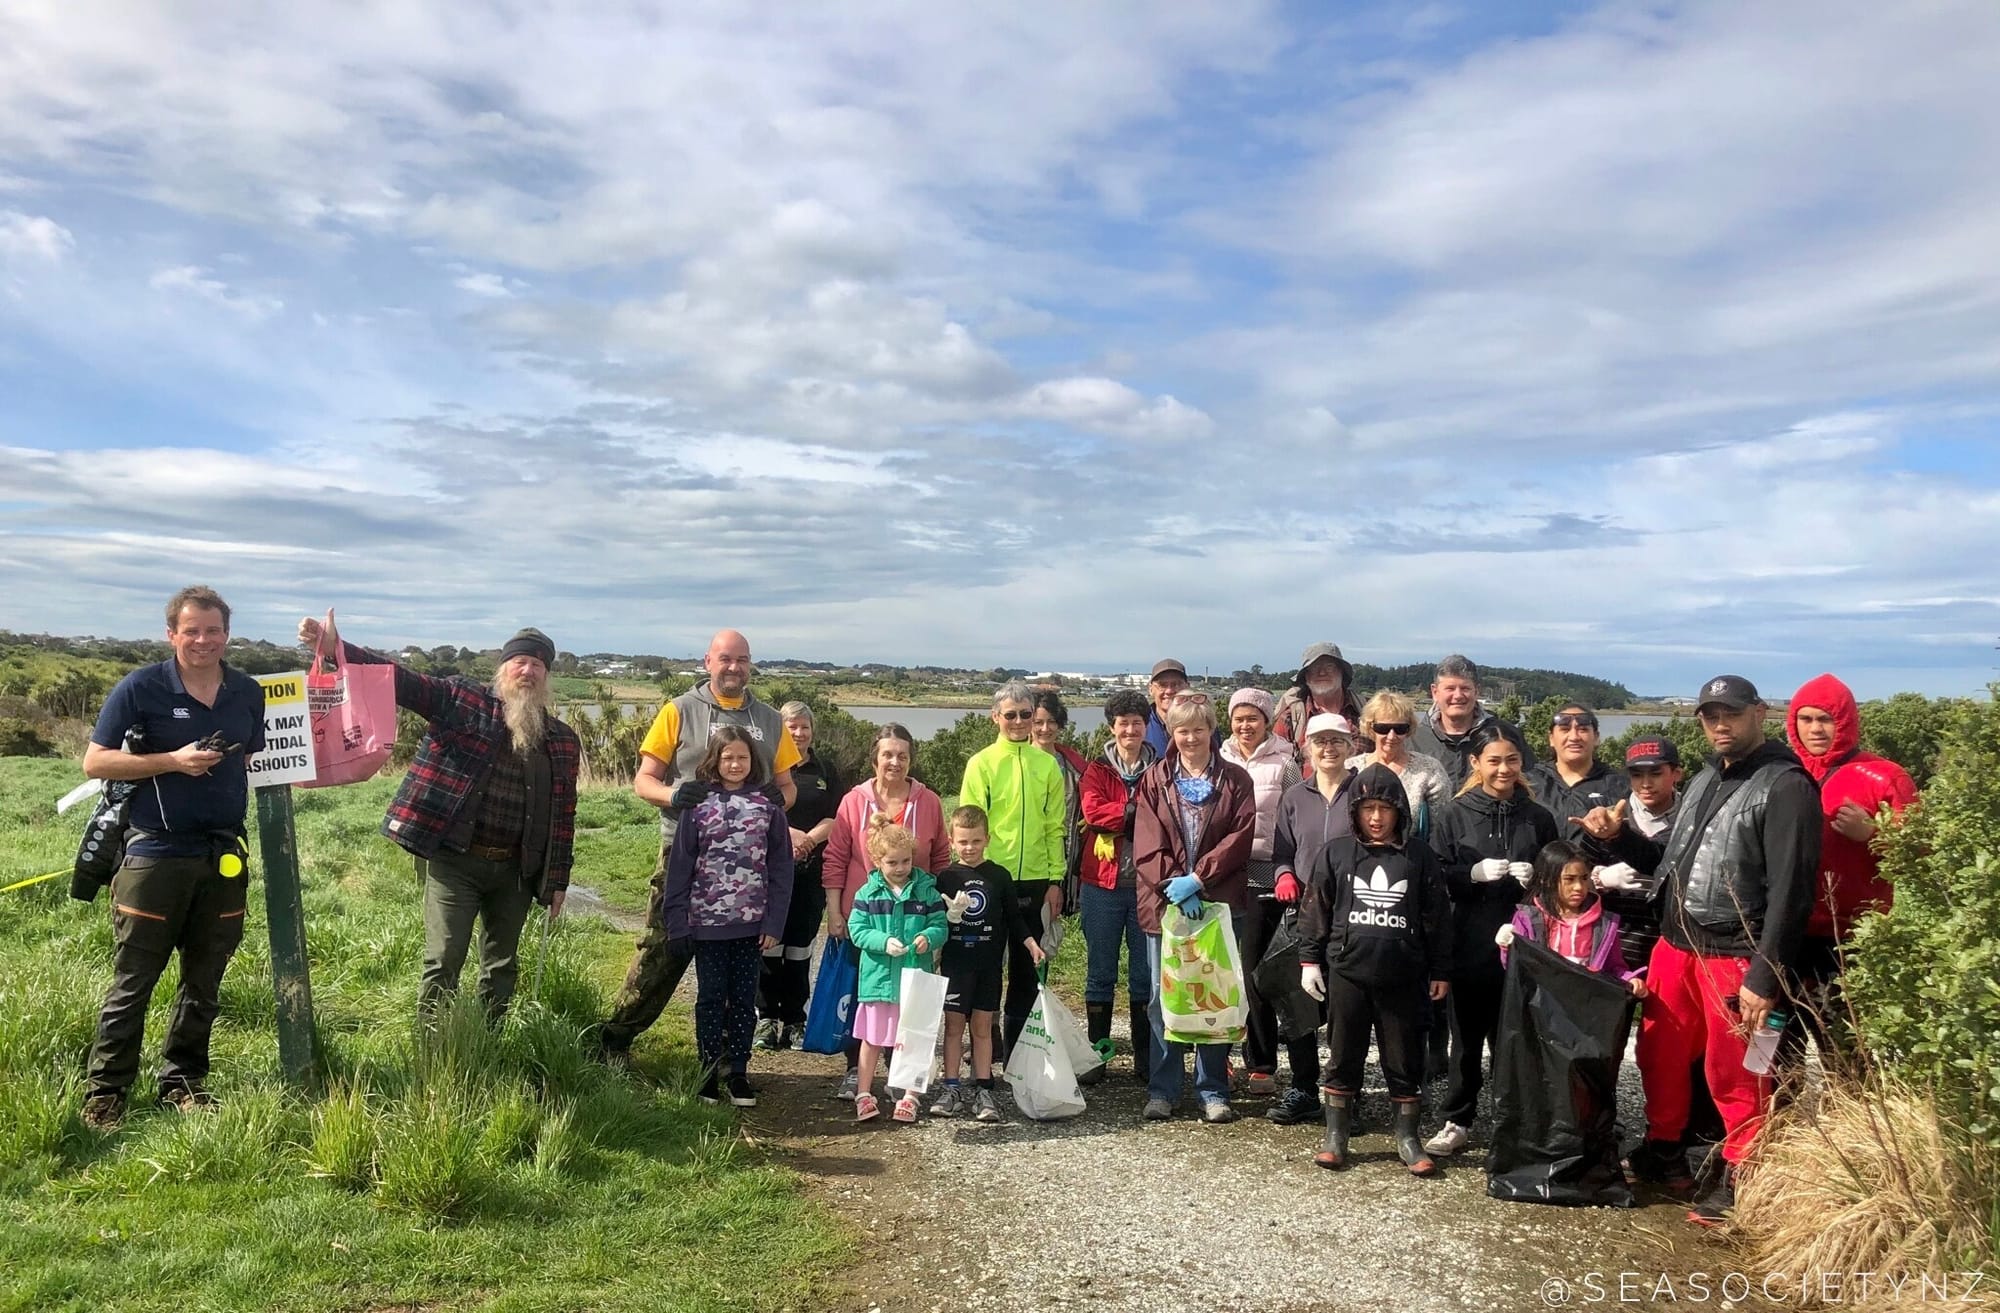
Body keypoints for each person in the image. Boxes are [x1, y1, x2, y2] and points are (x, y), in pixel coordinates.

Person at [1578, 675, 1820, 1225]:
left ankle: (1743, 1172)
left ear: (1761, 712)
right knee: (1660, 1055)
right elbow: (1673, 862)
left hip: (1737, 951)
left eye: (1731, 713)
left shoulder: (1787, 786)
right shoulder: (1710, 774)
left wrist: (1766, 972)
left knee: (1737, 1069)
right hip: (1676, 944)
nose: (1719, 724)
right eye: (1710, 715)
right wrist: (1619, 839)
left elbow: (1793, 889)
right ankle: (1665, 1152)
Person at [300, 612, 579, 1020]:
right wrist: (335, 649)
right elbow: (400, 680)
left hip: (516, 870)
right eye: (520, 661)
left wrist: (557, 880)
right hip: (456, 861)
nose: (529, 670)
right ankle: (433, 1047)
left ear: (547, 677)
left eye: (538, 664)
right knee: (444, 959)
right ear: (502, 669)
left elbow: (564, 814)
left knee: (502, 965)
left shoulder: (561, 739)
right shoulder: (462, 701)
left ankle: (488, 1044)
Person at [80, 587, 267, 1129]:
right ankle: (107, 1092)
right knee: (134, 978)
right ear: (172, 634)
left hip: (223, 854)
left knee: (205, 980)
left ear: (227, 635)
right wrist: (172, 761)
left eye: (212, 630)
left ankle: (182, 1083)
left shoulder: (247, 693)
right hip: (155, 852)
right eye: (191, 630)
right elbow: (95, 763)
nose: (203, 640)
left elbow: (253, 754)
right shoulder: (141, 687)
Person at [600, 629, 800, 1064]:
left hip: (750, 861)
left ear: (751, 665)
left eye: (742, 660)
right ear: (707, 662)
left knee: (737, 965)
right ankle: (615, 1037)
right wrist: (674, 795)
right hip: (685, 855)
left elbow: (787, 787)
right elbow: (643, 780)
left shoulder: (769, 720)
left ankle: (728, 1060)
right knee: (665, 948)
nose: (734, 667)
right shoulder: (679, 711)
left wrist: (777, 801)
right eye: (725, 659)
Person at [1296, 763, 1451, 1175]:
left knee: (1404, 1060)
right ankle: (1336, 1135)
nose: (1377, 818)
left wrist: (1440, 969)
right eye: (1368, 809)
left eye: (1385, 808)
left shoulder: (1419, 856)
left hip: (1404, 975)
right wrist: (1309, 959)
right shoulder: (1337, 852)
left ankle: (1408, 1137)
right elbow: (1315, 909)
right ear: (1355, 812)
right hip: (1347, 973)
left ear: (1401, 808)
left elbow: (1436, 916)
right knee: (1343, 1055)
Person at [1427, 724, 1558, 1158]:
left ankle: (1515, 1121)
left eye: (1512, 760)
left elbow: (1559, 877)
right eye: (1495, 760)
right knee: (1465, 1038)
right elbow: (1437, 876)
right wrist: (1472, 874)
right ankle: (1457, 1119)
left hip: (1525, 944)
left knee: (1517, 1037)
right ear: (1476, 763)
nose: (1504, 769)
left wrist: (1537, 880)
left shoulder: (1537, 817)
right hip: (1470, 942)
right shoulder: (1456, 813)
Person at [1133, 692, 1256, 1123]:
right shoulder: (1154, 780)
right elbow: (1147, 844)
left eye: (1198, 729)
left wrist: (1199, 879)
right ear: (1172, 732)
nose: (1190, 737)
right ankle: (1163, 1090)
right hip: (1164, 906)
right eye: (1181, 729)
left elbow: (1240, 837)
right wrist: (1175, 887)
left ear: (1211, 731)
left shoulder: (1237, 781)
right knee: (1161, 997)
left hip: (1218, 903)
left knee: (1214, 994)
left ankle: (1212, 1090)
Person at [1782, 674, 1917, 1063]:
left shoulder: (1885, 776)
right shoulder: (1785, 772)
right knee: (1776, 1048)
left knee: (1843, 1051)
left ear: (1845, 721)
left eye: (1825, 719)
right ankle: (1782, 1121)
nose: (1815, 729)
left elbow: (1919, 853)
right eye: (1805, 719)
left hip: (1851, 939)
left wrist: (1874, 833)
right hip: (1786, 932)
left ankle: (1851, 1122)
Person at [658, 728, 794, 1108]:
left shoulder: (768, 806)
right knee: (711, 999)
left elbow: (782, 869)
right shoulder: (697, 804)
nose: (735, 764)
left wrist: (773, 923)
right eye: (728, 757)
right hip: (707, 924)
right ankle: (707, 1071)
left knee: (743, 999)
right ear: (715, 760)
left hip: (752, 926)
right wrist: (678, 921)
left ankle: (738, 1072)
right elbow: (680, 867)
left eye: (743, 758)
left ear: (754, 762)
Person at [822, 723, 951, 1098]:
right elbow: (835, 857)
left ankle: (902, 1073)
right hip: (865, 916)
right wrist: (835, 911)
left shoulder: (928, 801)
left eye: (903, 755)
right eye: (888, 754)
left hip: (915, 920)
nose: (895, 761)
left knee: (909, 1002)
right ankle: (855, 1071)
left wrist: (937, 914)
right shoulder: (853, 800)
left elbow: (941, 856)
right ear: (875, 758)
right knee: (864, 995)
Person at [958, 681, 1066, 1059]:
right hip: (991, 878)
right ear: (995, 718)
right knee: (986, 966)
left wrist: (1056, 879)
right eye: (1011, 715)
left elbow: (1056, 826)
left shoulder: (1047, 764)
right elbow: (970, 825)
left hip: (1036, 880)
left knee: (1027, 969)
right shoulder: (981, 763)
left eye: (1026, 714)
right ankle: (986, 1046)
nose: (1019, 722)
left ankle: (1022, 1049)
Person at [1268, 712, 1362, 1126]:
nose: (1328, 749)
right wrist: (1284, 875)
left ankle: (1345, 1096)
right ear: (1307, 747)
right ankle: (1304, 1088)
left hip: (1352, 913)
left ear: (1350, 746)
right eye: (1319, 741)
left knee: (1348, 1009)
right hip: (1304, 912)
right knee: (1297, 1003)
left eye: (1336, 741)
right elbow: (1281, 853)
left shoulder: (1363, 793)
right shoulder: (1294, 797)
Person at [930, 805, 1046, 1123]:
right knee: (953, 1028)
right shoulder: (946, 877)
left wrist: (1031, 943)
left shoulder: (999, 876)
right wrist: (946, 917)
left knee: (982, 1028)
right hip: (955, 965)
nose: (970, 848)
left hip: (989, 966)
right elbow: (933, 922)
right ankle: (951, 1087)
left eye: (976, 841)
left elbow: (1014, 918)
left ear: (987, 839)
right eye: (963, 842)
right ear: (952, 840)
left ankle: (983, 1087)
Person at [1220, 688, 1304, 1100]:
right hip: (1221, 876)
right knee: (1217, 969)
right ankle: (1217, 1056)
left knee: (1255, 971)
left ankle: (1261, 1061)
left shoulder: (1286, 762)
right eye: (1239, 718)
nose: (1245, 725)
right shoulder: (1217, 757)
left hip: (1264, 876)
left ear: (1267, 720)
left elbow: (1293, 818)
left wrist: (1288, 869)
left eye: (1253, 717)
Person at [1077, 689, 1160, 1084]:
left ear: (1146, 727)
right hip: (1101, 886)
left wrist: (1124, 816)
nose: (1130, 729)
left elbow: (1164, 818)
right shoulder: (1097, 771)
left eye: (1137, 723)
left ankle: (1145, 1060)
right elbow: (1093, 813)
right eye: (1123, 723)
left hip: (1146, 886)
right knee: (1100, 973)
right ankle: (1099, 1056)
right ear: (1112, 727)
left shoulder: (1160, 768)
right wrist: (1133, 812)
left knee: (1144, 975)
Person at [845, 816, 949, 1123]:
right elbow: (857, 929)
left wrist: (927, 938)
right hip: (879, 980)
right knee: (872, 1039)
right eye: (892, 862)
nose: (901, 868)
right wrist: (882, 941)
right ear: (877, 861)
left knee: (913, 1038)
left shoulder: (925, 891)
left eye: (906, 861)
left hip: (914, 979)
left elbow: (940, 925)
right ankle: (864, 1092)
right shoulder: (867, 894)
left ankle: (910, 1095)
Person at [756, 701, 842, 1051]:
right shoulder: (768, 767)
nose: (799, 733)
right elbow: (761, 810)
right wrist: (789, 835)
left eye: (804, 726)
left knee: (800, 943)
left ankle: (794, 1018)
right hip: (772, 866)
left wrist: (808, 840)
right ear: (781, 729)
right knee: (769, 941)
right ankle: (766, 1018)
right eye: (791, 726)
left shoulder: (826, 770)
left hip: (812, 867)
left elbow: (837, 816)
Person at [1497, 841, 1647, 995]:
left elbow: (1614, 968)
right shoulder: (1527, 919)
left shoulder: (1604, 923)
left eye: (1584, 878)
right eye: (1569, 879)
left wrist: (1630, 979)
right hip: (1541, 1008)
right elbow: (1515, 967)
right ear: (1545, 879)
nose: (1579, 887)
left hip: (1585, 1007)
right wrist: (1506, 946)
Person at [1410, 655, 1534, 790]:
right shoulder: (1413, 738)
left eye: (1465, 688)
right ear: (1435, 692)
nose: (1457, 696)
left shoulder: (1505, 735)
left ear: (1476, 691)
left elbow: (1531, 785)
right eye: (1450, 688)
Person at [1345, 690, 1451, 839]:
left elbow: (1441, 829)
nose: (1391, 736)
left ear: (1409, 730)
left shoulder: (1430, 770)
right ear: (1370, 728)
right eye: (1383, 728)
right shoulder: (1349, 768)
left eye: (1400, 729)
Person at [1528, 703, 1628, 846]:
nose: (1574, 737)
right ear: (1551, 738)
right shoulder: (1529, 783)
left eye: (1583, 730)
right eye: (1565, 729)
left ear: (1596, 737)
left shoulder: (1620, 786)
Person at [1028, 687, 1086, 917]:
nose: (1045, 728)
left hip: (1064, 858)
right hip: (1029, 860)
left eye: (1051, 721)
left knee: (1052, 929)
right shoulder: (1018, 763)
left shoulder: (1074, 767)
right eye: (1038, 721)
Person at [1272, 642, 1364, 759]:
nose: (1322, 672)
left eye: (1329, 666)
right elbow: (1275, 763)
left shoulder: (1367, 710)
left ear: (1341, 672)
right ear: (1306, 676)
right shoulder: (1290, 718)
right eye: (1315, 667)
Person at [1142, 658, 1191, 756]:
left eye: (1176, 684)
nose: (1169, 691)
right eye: (1162, 685)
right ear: (1151, 689)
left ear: (1187, 687)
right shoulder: (1141, 725)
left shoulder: (1203, 724)